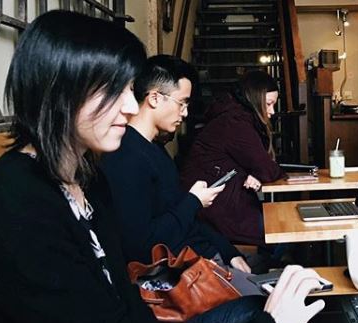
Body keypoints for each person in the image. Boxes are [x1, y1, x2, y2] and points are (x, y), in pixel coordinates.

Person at [0, 10, 324, 323]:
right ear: (60, 90)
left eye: (129, 91)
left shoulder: (89, 178)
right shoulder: (17, 200)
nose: (131, 108)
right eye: (113, 91)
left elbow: (128, 318)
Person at [99, 55, 253, 277]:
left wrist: (229, 252)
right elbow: (141, 246)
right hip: (182, 276)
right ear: (154, 98)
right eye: (182, 103)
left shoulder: (156, 149)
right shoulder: (125, 156)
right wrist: (193, 202)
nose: (186, 113)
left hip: (203, 260)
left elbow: (185, 219)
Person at [179, 71, 286, 254]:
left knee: (282, 228)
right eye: (268, 104)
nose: (272, 112)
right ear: (254, 100)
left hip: (216, 202)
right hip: (215, 208)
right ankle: (253, 276)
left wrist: (255, 172)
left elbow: (259, 165)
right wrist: (259, 171)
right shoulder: (235, 123)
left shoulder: (232, 116)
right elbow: (267, 168)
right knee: (283, 234)